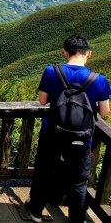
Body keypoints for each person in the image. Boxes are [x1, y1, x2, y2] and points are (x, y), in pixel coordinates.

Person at [27, 35, 110, 223]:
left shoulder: (51, 72)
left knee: (44, 172)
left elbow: (42, 101)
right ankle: (76, 219)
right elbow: (104, 112)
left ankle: (35, 213)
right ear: (89, 54)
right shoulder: (100, 80)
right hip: (82, 138)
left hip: (52, 133)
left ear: (65, 52)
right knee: (79, 182)